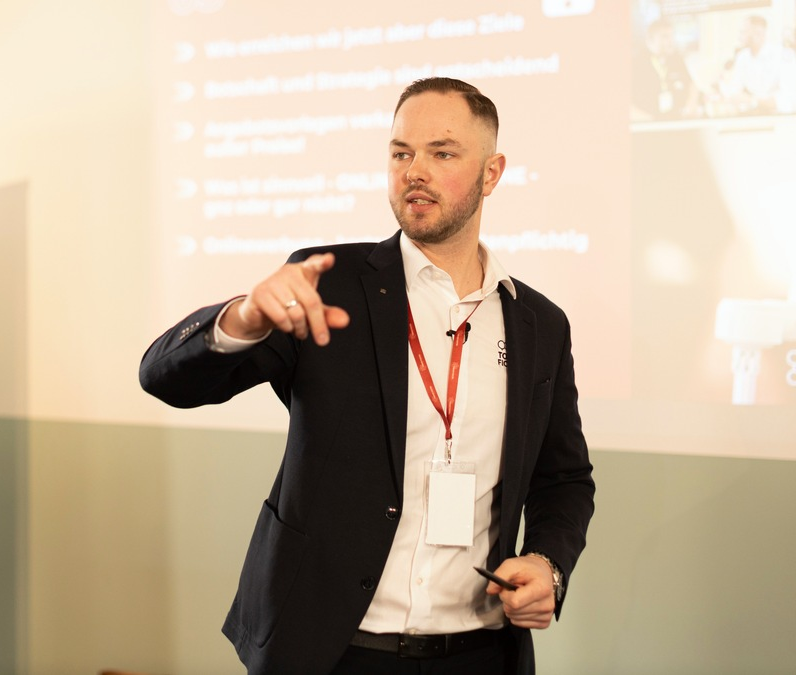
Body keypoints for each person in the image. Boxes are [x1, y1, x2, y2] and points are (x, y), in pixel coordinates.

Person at [140, 77, 595, 674]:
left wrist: (547, 563)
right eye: (401, 152)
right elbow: (166, 379)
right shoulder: (326, 282)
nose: (415, 171)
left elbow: (563, 478)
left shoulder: (539, 323)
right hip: (330, 651)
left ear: (491, 173)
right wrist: (243, 317)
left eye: (443, 152)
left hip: (479, 654)